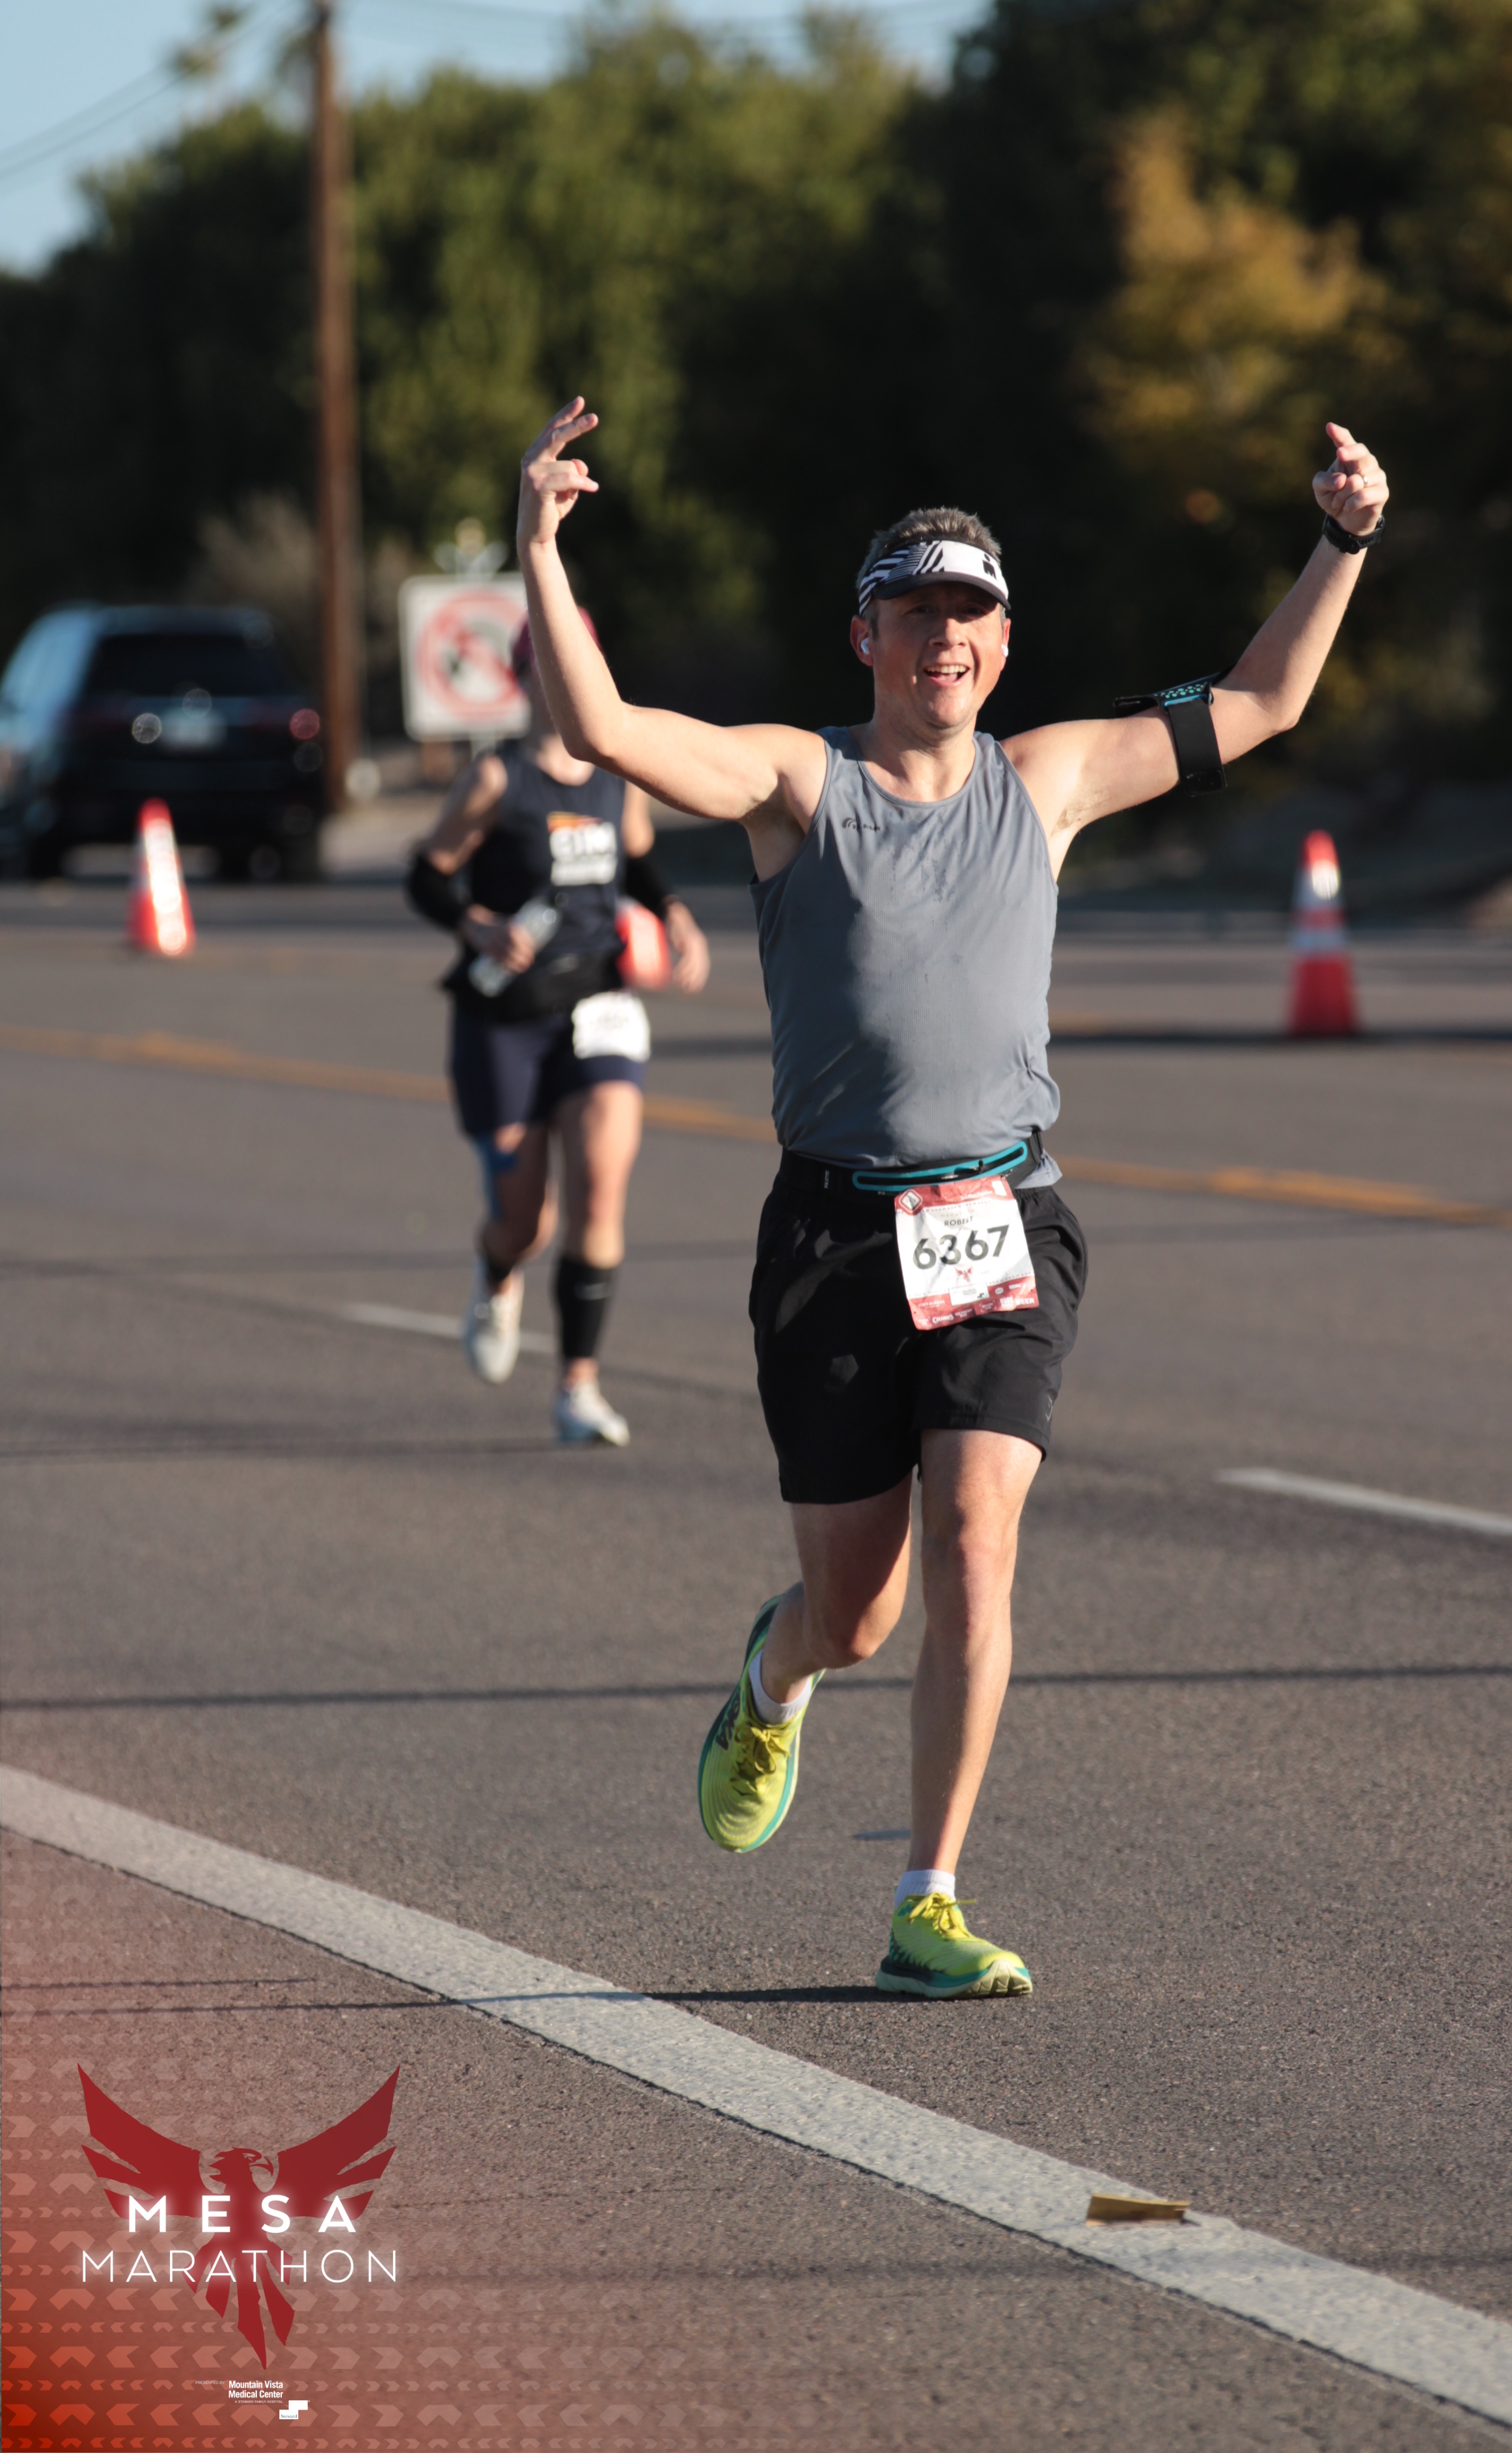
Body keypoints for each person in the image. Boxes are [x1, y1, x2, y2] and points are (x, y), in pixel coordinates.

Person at [516, 395, 1390, 1992]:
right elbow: (606, 729)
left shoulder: (1045, 781)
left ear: (1000, 642)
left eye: (968, 614)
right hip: (833, 1236)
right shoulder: (797, 784)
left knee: (977, 1539)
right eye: (914, 612)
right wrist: (541, 551)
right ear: (864, 636)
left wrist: (1340, 542)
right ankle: (774, 1678)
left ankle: (926, 1896)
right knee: (854, 1610)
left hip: (997, 1217)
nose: (943, 638)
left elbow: (1260, 702)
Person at [405, 619, 709, 1445]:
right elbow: (425, 876)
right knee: (525, 1221)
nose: (569, 677)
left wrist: (672, 911)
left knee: (601, 1187)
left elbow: (635, 857)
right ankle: (497, 1271)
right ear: (523, 677)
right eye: (549, 664)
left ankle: (579, 1386)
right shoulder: (496, 779)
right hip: (504, 1018)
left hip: (597, 1006)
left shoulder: (616, 775)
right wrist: (474, 926)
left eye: (584, 661)